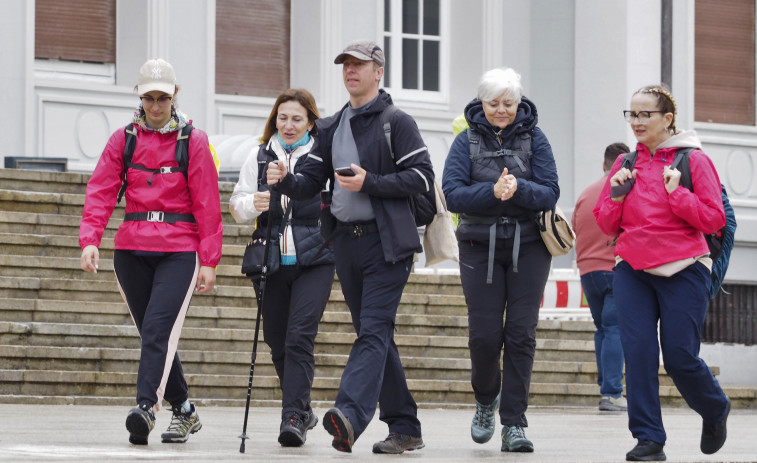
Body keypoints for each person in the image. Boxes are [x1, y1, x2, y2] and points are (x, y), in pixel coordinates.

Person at [266, 40, 433, 455]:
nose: (351, 70)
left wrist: (370, 182)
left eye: (360, 64)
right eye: (346, 64)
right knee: (375, 335)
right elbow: (310, 183)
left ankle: (350, 415)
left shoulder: (398, 121)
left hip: (388, 243)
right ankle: (406, 426)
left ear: (379, 71)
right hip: (346, 243)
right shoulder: (332, 125)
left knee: (374, 331)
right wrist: (285, 179)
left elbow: (422, 178)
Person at [79, 58, 223, 445]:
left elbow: (208, 203)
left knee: (159, 329)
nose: (155, 106)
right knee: (153, 335)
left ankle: (145, 408)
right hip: (131, 250)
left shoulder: (193, 140)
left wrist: (209, 260)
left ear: (175, 95)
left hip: (179, 250)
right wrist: (90, 238)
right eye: (149, 98)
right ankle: (186, 410)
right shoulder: (122, 139)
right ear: (139, 97)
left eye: (162, 97)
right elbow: (101, 191)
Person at [594, 84, 730, 462]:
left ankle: (715, 407)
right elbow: (606, 224)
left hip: (685, 267)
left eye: (644, 115)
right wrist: (618, 196)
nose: (636, 122)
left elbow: (714, 219)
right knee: (637, 353)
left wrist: (677, 194)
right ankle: (649, 438)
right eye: (631, 115)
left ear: (667, 119)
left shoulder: (694, 161)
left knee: (680, 356)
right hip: (633, 268)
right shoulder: (625, 165)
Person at [442, 68, 559, 453]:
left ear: (518, 101)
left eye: (509, 103)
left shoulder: (535, 138)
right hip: (479, 245)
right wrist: (493, 192)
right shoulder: (466, 141)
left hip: (529, 247)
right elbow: (453, 195)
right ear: (481, 103)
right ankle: (485, 398)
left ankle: (514, 423)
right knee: (484, 337)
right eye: (494, 104)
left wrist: (519, 188)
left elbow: (550, 191)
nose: (502, 111)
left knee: (521, 334)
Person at [229, 88, 335, 447]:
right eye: (283, 118)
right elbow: (236, 204)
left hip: (315, 260)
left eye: (297, 119)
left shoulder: (322, 158)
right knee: (277, 343)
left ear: (310, 122)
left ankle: (291, 417)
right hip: (270, 261)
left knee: (299, 337)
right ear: (274, 119)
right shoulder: (258, 156)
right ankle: (303, 408)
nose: (289, 126)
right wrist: (254, 203)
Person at [572, 142, 629, 412]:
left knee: (603, 329)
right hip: (615, 269)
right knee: (615, 328)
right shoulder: (624, 190)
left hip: (588, 272)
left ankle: (606, 386)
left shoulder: (585, 194)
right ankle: (612, 393)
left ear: (604, 165)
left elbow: (575, 229)